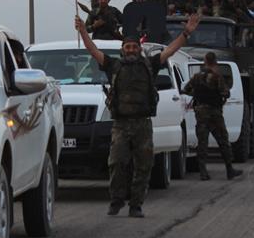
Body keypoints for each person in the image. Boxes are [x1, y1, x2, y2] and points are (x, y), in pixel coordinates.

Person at [75, 12, 201, 218]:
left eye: (134, 47)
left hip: (143, 124)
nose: (131, 50)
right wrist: (82, 31)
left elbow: (170, 50)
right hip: (121, 125)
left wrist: (186, 33)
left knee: (144, 166)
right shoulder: (113, 65)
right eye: (127, 47)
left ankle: (136, 204)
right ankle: (116, 200)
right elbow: (92, 50)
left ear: (139, 49)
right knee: (116, 163)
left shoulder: (149, 64)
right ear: (123, 50)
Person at [182, 52, 244, 181]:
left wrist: (197, 94)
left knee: (202, 143)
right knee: (223, 141)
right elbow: (226, 93)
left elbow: (186, 89)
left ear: (205, 61)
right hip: (215, 113)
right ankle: (229, 169)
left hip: (201, 113)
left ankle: (203, 172)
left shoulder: (196, 77)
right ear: (214, 62)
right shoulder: (217, 77)